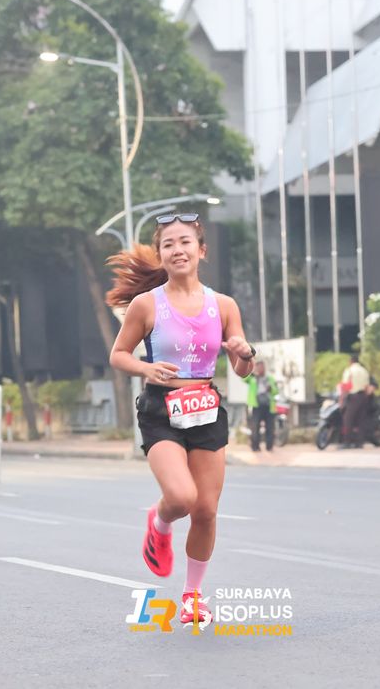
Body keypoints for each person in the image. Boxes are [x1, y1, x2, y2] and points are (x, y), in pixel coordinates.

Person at [107, 212, 256, 624]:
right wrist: (146, 368)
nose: (177, 250)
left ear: (201, 250)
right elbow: (118, 354)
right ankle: (159, 521)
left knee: (205, 510)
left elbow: (243, 369)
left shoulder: (223, 305)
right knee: (181, 498)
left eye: (185, 242)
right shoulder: (146, 304)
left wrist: (245, 354)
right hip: (161, 410)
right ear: (160, 254)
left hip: (206, 409)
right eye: (168, 244)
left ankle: (192, 596)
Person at [245, 360, 278, 452]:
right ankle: (255, 447)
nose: (260, 369)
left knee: (270, 428)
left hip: (269, 406)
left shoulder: (270, 378)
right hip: (256, 406)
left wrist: (271, 388)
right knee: (255, 427)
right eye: (258, 367)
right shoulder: (252, 378)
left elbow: (276, 391)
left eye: (262, 367)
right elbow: (244, 379)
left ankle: (269, 447)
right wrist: (252, 373)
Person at [340, 355, 370, 448]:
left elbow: (345, 386)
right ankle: (359, 442)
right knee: (361, 420)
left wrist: (342, 399)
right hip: (362, 396)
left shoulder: (349, 370)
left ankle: (347, 442)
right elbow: (366, 387)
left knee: (348, 420)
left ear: (351, 361)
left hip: (352, 397)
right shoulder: (364, 371)